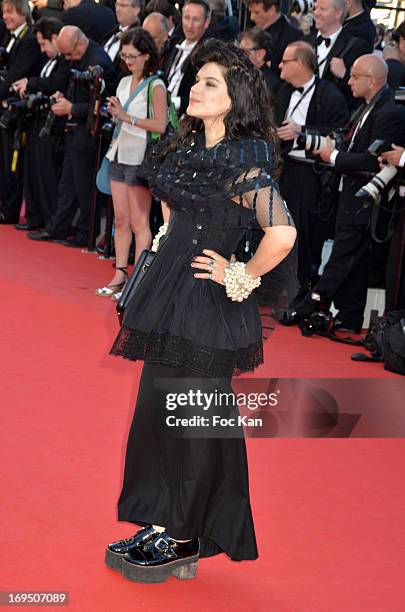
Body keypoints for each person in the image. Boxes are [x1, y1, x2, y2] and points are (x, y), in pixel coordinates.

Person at [105, 39, 297, 583]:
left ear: (234, 99)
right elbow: (172, 209)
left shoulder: (243, 162)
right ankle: (165, 520)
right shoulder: (187, 151)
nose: (196, 88)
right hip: (170, 295)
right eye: (197, 79)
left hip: (207, 306)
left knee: (193, 421)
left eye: (210, 83)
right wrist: (167, 240)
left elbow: (281, 233)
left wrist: (241, 275)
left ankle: (187, 532)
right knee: (159, 413)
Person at [290, 55, 404, 333]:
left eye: (355, 76)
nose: (348, 81)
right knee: (354, 260)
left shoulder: (389, 111)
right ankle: (349, 317)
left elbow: (371, 160)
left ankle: (314, 301)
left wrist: (334, 156)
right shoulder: (366, 107)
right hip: (349, 194)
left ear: (373, 80)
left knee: (344, 255)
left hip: (364, 199)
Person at [27, 26, 116, 246]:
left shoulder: (98, 62)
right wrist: (64, 96)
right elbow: (73, 83)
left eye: (68, 54)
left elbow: (103, 105)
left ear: (78, 44)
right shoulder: (79, 56)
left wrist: (71, 107)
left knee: (84, 186)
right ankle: (58, 228)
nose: (66, 59)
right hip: (75, 129)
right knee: (68, 183)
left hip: (88, 131)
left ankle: (86, 233)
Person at [95, 28, 167, 300]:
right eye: (124, 56)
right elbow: (123, 118)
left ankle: (138, 280)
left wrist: (127, 117)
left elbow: (160, 125)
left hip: (141, 159)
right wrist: (116, 113)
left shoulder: (155, 86)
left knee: (139, 221)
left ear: (147, 55)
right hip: (119, 154)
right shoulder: (124, 82)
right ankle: (119, 274)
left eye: (133, 56)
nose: (128, 61)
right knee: (121, 219)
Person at [276, 41, 349, 307]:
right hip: (284, 169)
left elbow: (341, 134)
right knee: (279, 229)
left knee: (304, 234)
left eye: (285, 60)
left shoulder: (329, 94)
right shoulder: (283, 91)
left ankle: (301, 292)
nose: (279, 65)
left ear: (302, 64)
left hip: (312, 175)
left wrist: (303, 133)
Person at [12, 16, 70, 231]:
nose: (43, 49)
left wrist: (31, 83)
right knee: (32, 171)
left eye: (44, 44)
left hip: (53, 126)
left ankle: (48, 220)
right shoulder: (49, 60)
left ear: (54, 38)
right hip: (37, 121)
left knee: (46, 174)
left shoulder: (65, 60)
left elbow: (56, 83)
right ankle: (35, 218)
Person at [0, 0, 43, 225]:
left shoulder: (29, 40)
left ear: (23, 13)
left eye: (10, 12)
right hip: (8, 109)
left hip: (20, 114)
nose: (5, 16)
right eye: (3, 12)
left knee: (12, 163)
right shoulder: (10, 37)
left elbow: (14, 76)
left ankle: (9, 210)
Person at [305, 0, 369, 108]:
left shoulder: (356, 47)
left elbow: (361, 91)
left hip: (332, 117)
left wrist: (344, 74)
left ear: (338, 13)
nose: (316, 13)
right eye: (315, 8)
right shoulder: (303, 41)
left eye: (322, 9)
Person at [164, 0, 211, 115]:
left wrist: (176, 102)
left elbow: (205, 96)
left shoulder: (208, 55)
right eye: (186, 18)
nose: (189, 25)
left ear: (206, 22)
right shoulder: (174, 45)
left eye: (196, 20)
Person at [246, 0, 302, 80]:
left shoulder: (293, 36)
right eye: (250, 12)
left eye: (257, 12)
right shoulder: (252, 31)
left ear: (272, 10)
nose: (252, 17)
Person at [237, 27, 280, 96]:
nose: (238, 55)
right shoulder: (236, 72)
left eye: (244, 51)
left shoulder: (269, 85)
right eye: (238, 50)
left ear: (260, 54)